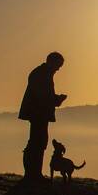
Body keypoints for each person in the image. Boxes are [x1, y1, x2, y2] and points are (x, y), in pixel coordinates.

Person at [18, 52, 68, 182]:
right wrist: (57, 100)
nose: (58, 69)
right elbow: (42, 97)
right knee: (37, 142)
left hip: (38, 113)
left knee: (38, 142)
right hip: (38, 114)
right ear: (52, 62)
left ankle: (34, 174)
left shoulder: (42, 73)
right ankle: (32, 175)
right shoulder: (42, 74)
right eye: (58, 65)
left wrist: (56, 99)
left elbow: (43, 95)